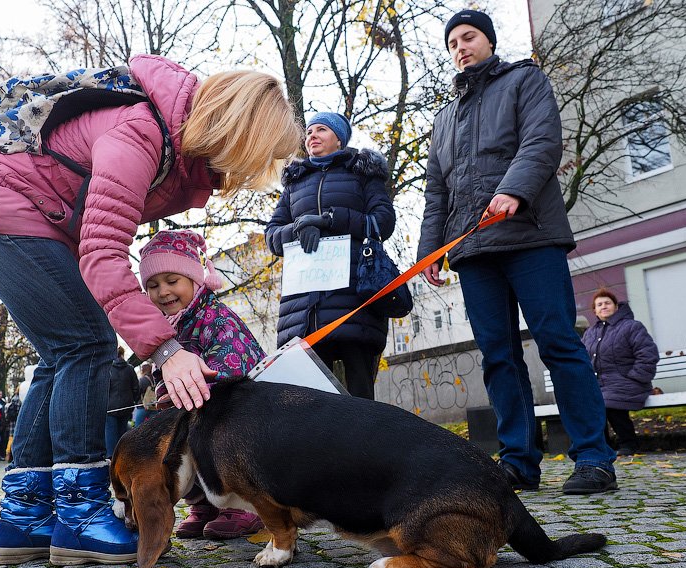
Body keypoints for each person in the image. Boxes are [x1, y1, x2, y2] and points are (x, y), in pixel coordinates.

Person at [0, 54, 300, 566]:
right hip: (7, 217)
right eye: (259, 155)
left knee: (59, 356)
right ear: (237, 132)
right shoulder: (140, 134)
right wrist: (166, 349)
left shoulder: (172, 148)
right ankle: (80, 515)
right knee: (87, 346)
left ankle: (23, 519)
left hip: (8, 219)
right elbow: (103, 253)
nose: (252, 172)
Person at [417, 10, 618, 495]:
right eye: (452, 43)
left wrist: (514, 190)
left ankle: (593, 457)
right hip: (473, 250)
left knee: (558, 343)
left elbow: (542, 142)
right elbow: (436, 194)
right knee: (497, 357)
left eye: (469, 37)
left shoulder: (525, 80)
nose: (460, 47)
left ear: (488, 41)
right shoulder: (444, 120)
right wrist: (429, 254)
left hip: (530, 235)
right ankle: (518, 462)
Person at [140, 229, 266, 540]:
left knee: (216, 440)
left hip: (237, 415)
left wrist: (194, 395)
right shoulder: (167, 328)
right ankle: (205, 505)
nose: (163, 292)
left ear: (195, 281)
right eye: (153, 286)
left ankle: (245, 505)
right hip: (193, 411)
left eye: (173, 281)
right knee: (176, 446)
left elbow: (233, 374)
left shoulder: (217, 319)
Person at [265, 112, 395, 400]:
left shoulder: (362, 174)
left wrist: (330, 220)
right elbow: (272, 236)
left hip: (354, 301)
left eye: (321, 129)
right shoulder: (294, 184)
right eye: (309, 131)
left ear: (339, 138)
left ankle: (366, 446)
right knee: (312, 402)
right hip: (304, 311)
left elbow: (383, 222)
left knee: (361, 398)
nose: (311, 135)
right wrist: (299, 228)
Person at [582, 289, 659, 456]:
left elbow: (648, 354)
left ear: (616, 307)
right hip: (601, 385)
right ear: (594, 311)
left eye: (607, 303)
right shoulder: (590, 333)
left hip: (629, 382)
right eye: (599, 304)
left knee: (609, 403)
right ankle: (602, 447)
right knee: (592, 404)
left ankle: (629, 444)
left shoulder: (631, 327)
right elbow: (582, 359)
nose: (604, 306)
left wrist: (637, 377)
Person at [105, 347, 139, 457]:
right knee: (123, 432)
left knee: (110, 434)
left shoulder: (108, 368)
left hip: (110, 407)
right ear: (123, 354)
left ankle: (111, 459)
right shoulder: (130, 369)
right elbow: (136, 387)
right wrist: (133, 400)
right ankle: (122, 457)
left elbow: (105, 388)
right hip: (126, 406)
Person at [134, 363, 154, 427]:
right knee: (154, 427)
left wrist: (137, 402)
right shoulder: (155, 379)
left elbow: (137, 392)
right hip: (154, 406)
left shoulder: (142, 380)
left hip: (142, 407)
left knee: (138, 428)